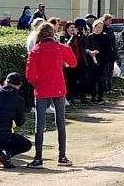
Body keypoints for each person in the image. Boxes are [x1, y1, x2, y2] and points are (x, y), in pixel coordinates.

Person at [25, 22, 77, 168]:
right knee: (60, 123)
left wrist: (38, 82)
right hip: (58, 87)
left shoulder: (35, 50)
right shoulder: (59, 47)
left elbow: (29, 75)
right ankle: (62, 156)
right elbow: (72, 63)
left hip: (42, 89)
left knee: (39, 125)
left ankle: (38, 158)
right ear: (52, 34)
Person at [86, 19, 111, 104]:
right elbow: (86, 48)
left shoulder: (105, 36)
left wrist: (100, 52)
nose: (100, 29)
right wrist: (90, 52)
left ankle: (100, 96)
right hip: (92, 60)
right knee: (92, 78)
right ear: (94, 27)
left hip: (102, 60)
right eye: (99, 27)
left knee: (100, 78)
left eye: (101, 27)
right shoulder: (90, 36)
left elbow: (108, 49)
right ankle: (93, 96)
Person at [65, 19, 89, 104]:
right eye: (71, 27)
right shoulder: (65, 37)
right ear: (67, 29)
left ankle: (83, 96)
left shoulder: (79, 36)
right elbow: (68, 45)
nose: (73, 29)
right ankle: (71, 96)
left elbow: (86, 43)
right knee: (72, 79)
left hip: (80, 60)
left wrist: (84, 35)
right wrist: (74, 36)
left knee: (83, 79)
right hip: (71, 61)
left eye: (74, 27)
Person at [100, 14, 119, 91]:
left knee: (110, 70)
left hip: (112, 53)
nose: (110, 22)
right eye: (109, 20)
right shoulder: (103, 29)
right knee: (105, 70)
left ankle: (109, 85)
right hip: (105, 54)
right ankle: (104, 86)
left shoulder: (110, 29)